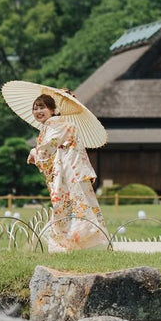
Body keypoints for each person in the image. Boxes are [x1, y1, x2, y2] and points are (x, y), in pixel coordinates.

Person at [26, 93, 108, 252]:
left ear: (52, 109)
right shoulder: (58, 124)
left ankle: (67, 243)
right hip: (72, 170)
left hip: (68, 171)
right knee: (76, 204)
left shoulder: (56, 124)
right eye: (35, 108)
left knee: (66, 205)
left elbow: (48, 147)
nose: (37, 111)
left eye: (42, 107)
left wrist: (34, 152)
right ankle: (78, 243)